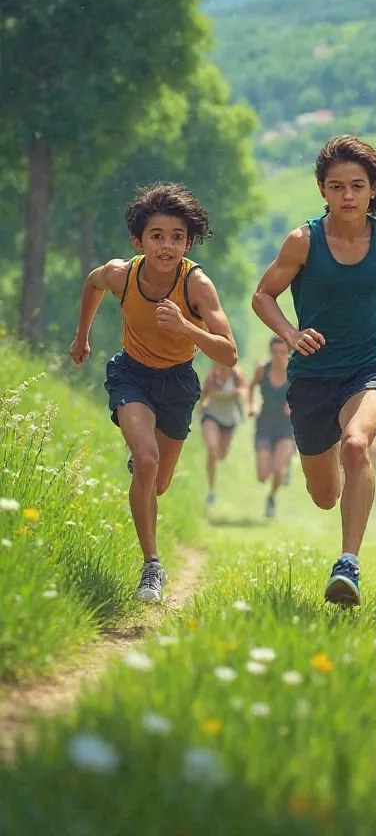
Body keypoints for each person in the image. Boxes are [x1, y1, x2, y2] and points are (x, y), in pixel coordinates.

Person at [252, 135, 376, 606]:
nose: (347, 195)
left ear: (372, 190)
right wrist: (289, 334)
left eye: (357, 186)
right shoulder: (303, 241)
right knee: (324, 494)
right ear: (322, 190)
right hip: (311, 378)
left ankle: (348, 564)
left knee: (358, 443)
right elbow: (263, 295)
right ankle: (351, 484)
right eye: (337, 186)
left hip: (369, 370)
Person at [69, 182, 237, 602]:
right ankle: (152, 567)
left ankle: (145, 468)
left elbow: (229, 353)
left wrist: (186, 327)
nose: (167, 246)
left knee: (158, 482)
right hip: (131, 375)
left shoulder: (197, 285)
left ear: (188, 241)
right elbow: (92, 286)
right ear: (138, 240)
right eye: (157, 236)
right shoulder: (120, 274)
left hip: (178, 383)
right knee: (145, 461)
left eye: (177, 237)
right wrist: (81, 338)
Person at [248, 337, 295, 518]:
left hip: (286, 426)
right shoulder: (262, 369)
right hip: (265, 423)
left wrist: (293, 404)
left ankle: (272, 497)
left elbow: (306, 394)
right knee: (262, 475)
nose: (278, 356)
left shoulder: (294, 371)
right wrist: (251, 405)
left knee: (278, 469)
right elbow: (251, 386)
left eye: (282, 352)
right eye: (275, 352)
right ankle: (284, 466)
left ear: (288, 353)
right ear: (270, 352)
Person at [199, 362, 247, 510]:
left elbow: (244, 390)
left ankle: (213, 481)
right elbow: (204, 395)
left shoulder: (236, 374)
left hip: (229, 420)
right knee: (213, 450)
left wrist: (238, 393)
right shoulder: (213, 375)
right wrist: (202, 403)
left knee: (221, 455)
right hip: (211, 415)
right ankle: (211, 489)